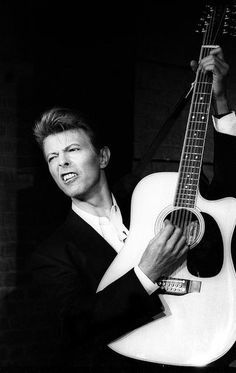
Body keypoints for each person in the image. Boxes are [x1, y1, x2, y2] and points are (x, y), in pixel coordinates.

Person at [31, 47, 236, 368]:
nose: (63, 163)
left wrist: (221, 102)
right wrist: (147, 274)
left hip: (203, 344)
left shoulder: (154, 196)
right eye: (52, 158)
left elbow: (228, 201)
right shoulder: (52, 253)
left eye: (72, 149)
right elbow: (73, 328)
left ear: (102, 157)